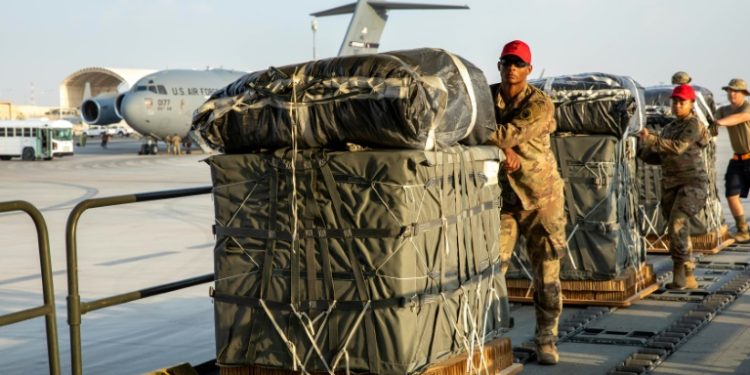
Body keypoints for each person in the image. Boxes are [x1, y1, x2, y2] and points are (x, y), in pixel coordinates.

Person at [487, 40, 565, 365]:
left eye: (519, 64)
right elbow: (470, 125)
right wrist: (504, 150)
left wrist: (502, 144)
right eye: (507, 62)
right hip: (504, 201)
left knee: (546, 273)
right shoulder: (488, 96)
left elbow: (505, 133)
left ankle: (546, 340)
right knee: (492, 267)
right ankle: (486, 338)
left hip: (540, 200)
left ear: (529, 70)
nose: (512, 69)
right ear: (500, 66)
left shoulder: (539, 104)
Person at [638, 84, 710, 289]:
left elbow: (678, 148)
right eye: (675, 101)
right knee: (677, 230)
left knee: (677, 223)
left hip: (692, 183)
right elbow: (659, 157)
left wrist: (651, 138)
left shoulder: (693, 125)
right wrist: (639, 148)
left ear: (691, 104)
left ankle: (680, 275)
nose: (677, 105)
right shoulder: (669, 128)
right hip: (670, 185)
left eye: (682, 102)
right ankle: (687, 272)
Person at [713, 78, 750, 243]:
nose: (732, 94)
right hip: (737, 158)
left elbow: (740, 118)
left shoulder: (747, 107)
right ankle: (743, 229)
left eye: (735, 91)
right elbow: (710, 121)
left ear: (743, 94)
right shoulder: (724, 110)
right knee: (731, 193)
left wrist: (718, 123)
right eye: (729, 91)